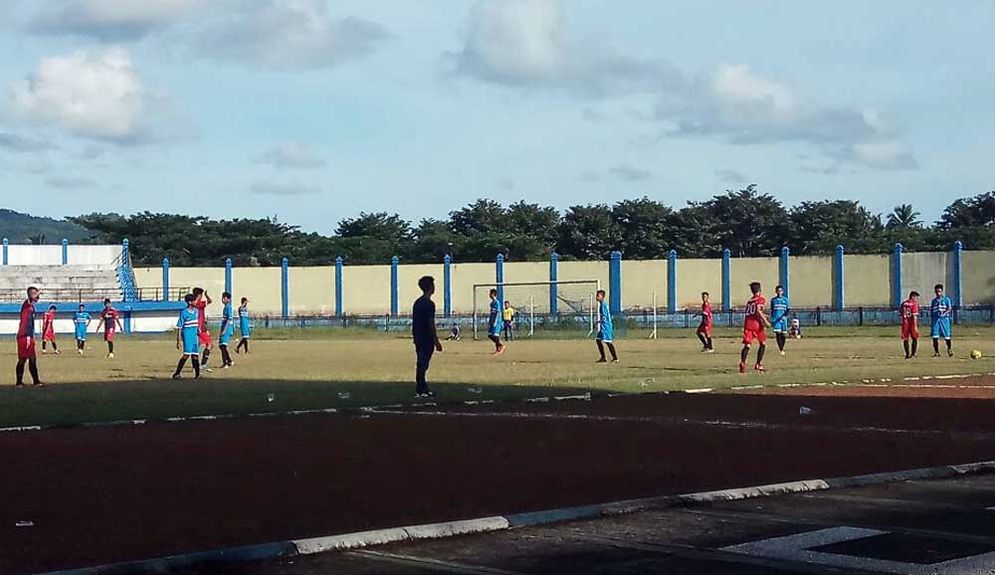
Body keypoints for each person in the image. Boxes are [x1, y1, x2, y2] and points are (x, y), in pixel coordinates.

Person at [412, 276, 443, 398]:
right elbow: (430, 323)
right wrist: (436, 341)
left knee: (421, 362)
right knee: (423, 363)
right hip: (426, 337)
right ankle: (421, 387)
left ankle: (422, 386)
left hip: (418, 336)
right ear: (430, 287)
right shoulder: (429, 304)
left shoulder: (417, 302)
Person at [15, 286, 43, 386]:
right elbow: (32, 298)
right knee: (25, 359)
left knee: (30, 358)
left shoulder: (31, 307)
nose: (38, 297)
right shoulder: (27, 304)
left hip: (28, 336)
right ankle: (23, 382)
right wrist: (39, 291)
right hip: (24, 335)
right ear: (31, 294)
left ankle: (33, 381)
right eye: (36, 295)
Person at [740, 282, 770, 373]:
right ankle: (758, 364)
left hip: (748, 324)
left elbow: (752, 312)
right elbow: (758, 311)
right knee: (763, 343)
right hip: (757, 325)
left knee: (747, 345)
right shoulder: (760, 299)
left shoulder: (750, 301)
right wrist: (765, 320)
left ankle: (742, 363)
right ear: (759, 290)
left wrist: (765, 315)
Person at [173, 294, 202, 380]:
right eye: (194, 300)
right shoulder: (184, 312)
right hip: (187, 335)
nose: (195, 302)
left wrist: (198, 330)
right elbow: (179, 327)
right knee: (186, 354)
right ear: (189, 302)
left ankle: (197, 375)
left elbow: (196, 324)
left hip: (194, 336)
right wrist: (178, 341)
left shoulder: (196, 311)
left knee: (195, 355)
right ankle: (177, 373)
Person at [193, 288, 214, 371]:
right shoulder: (199, 304)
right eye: (201, 295)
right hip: (201, 328)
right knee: (209, 345)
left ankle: (196, 365)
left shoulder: (193, 304)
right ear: (199, 295)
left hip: (196, 327)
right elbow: (210, 301)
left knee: (197, 346)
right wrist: (207, 295)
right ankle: (202, 364)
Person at [930, 283, 954, 357]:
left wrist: (944, 314)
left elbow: (949, 308)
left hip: (944, 320)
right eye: (937, 291)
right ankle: (936, 352)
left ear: (942, 291)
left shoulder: (946, 299)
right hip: (936, 320)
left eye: (939, 291)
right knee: (935, 336)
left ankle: (949, 349)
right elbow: (932, 310)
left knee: (947, 336)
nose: (938, 293)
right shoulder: (934, 301)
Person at [595, 289, 619, 363]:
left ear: (602, 297)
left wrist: (598, 322)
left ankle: (615, 358)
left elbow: (604, 317)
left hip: (606, 326)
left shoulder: (603, 305)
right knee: (598, 339)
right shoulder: (602, 305)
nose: (596, 297)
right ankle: (603, 358)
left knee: (608, 342)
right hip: (603, 325)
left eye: (598, 295)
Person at [900, 290, 921, 359]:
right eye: (916, 297)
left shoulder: (903, 303)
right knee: (914, 338)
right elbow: (914, 315)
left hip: (905, 323)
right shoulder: (914, 304)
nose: (916, 299)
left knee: (905, 339)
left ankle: (907, 354)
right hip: (911, 323)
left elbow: (901, 313)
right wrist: (915, 326)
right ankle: (913, 354)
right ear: (913, 297)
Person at [770, 285, 790, 356]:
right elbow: (772, 310)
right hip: (776, 320)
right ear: (776, 292)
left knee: (784, 334)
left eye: (780, 291)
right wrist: (772, 318)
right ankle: (781, 349)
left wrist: (784, 316)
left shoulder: (785, 300)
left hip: (783, 320)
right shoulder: (773, 300)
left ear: (783, 292)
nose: (779, 292)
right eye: (778, 291)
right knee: (778, 334)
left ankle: (782, 347)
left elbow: (788, 310)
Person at [218, 292, 235, 368]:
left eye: (224, 298)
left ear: (228, 299)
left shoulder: (228, 307)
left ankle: (225, 363)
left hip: (227, 329)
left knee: (223, 346)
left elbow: (229, 319)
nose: (223, 299)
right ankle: (230, 361)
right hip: (225, 328)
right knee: (222, 346)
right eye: (222, 298)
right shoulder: (225, 307)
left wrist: (224, 330)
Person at [487, 288, 505, 355]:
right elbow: (492, 313)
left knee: (495, 335)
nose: (489, 295)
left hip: (497, 321)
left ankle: (500, 347)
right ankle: (499, 346)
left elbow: (498, 313)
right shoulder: (492, 303)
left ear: (493, 294)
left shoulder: (497, 303)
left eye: (490, 293)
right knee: (490, 335)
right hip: (492, 320)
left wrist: (495, 321)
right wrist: (490, 321)